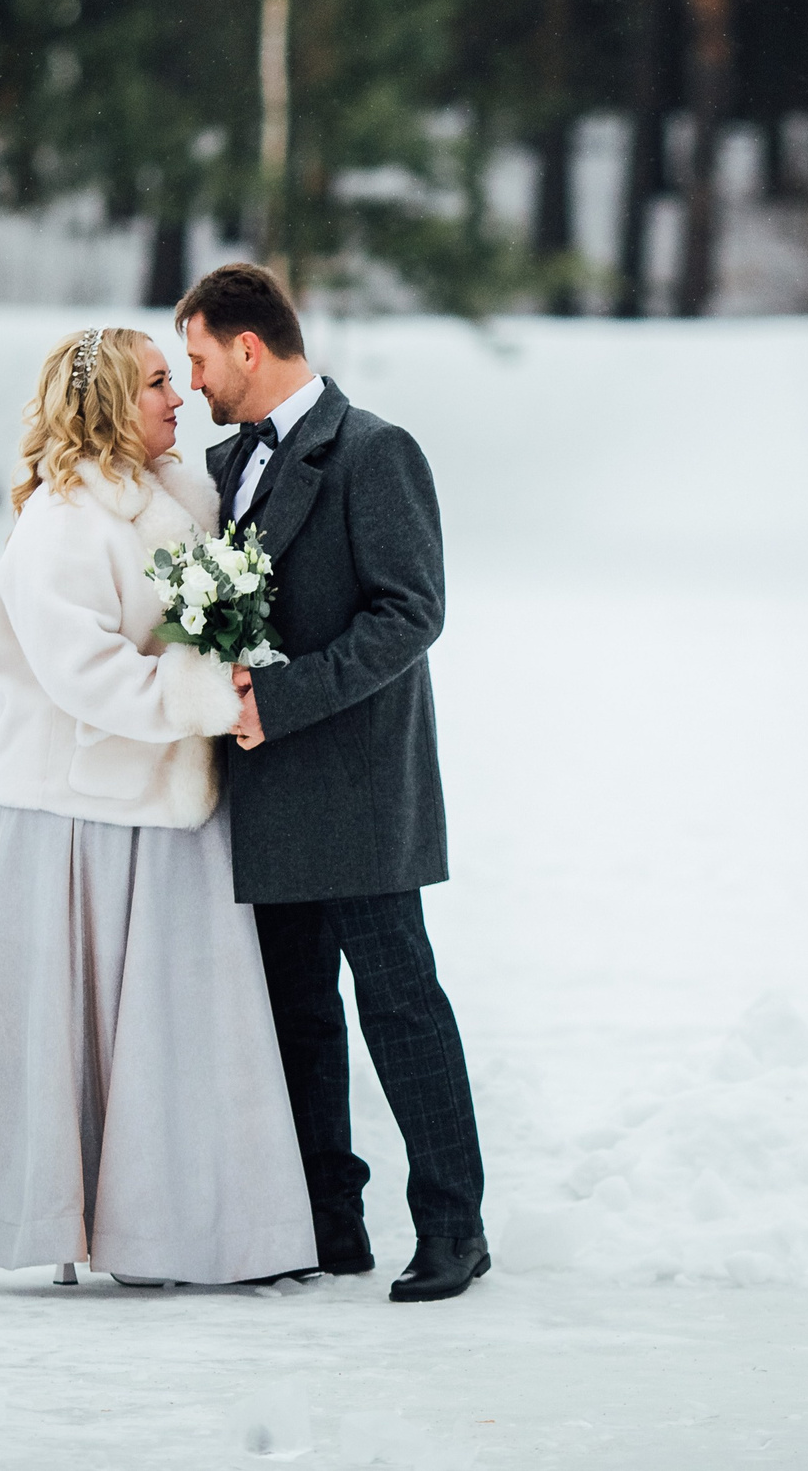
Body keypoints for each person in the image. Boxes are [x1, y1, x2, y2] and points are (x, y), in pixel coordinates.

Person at [0, 327, 315, 1291]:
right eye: (159, 383)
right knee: (35, 1037)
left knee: (178, 1036)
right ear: (112, 399)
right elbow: (86, 676)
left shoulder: (183, 501)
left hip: (174, 807)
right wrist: (208, 695)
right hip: (75, 818)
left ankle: (157, 1238)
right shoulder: (64, 524)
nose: (179, 399)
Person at [178, 263, 490, 1303]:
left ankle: (454, 1226)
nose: (193, 381)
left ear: (249, 347)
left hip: (356, 781)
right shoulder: (225, 467)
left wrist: (284, 698)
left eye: (199, 356)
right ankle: (328, 1219)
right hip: (265, 788)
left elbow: (412, 611)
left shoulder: (374, 450)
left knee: (399, 1003)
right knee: (295, 1010)